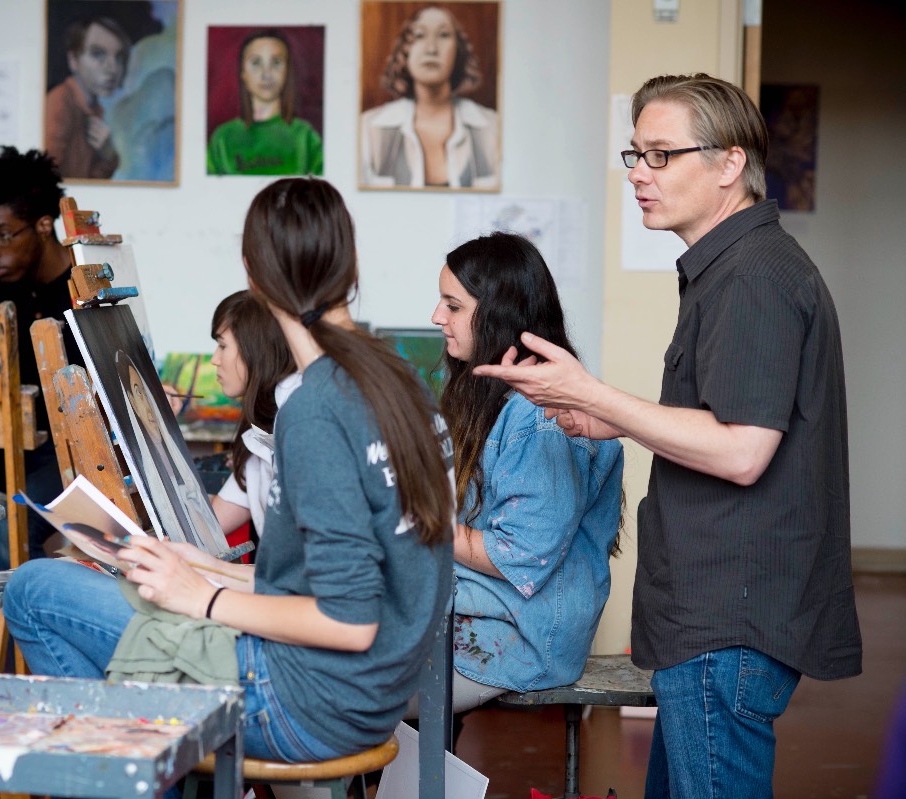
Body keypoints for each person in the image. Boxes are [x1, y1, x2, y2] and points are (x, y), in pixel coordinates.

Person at [474, 73, 863, 798]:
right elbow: (718, 429)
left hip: (729, 617)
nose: (640, 176)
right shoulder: (730, 270)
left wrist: (594, 392)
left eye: (662, 155)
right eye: (635, 156)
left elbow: (743, 449)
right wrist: (603, 416)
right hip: (715, 614)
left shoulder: (753, 276)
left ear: (729, 164)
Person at [4, 176, 454, 766]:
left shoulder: (315, 406)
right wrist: (210, 571)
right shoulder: (399, 379)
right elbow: (346, 583)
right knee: (123, 590)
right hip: (372, 695)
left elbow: (348, 622)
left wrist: (201, 598)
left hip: (304, 703)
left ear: (253, 275)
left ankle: (127, 772)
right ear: (352, 263)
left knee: (30, 590)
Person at [429, 232, 624, 714]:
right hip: (480, 612)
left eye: (453, 306)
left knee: (332, 691)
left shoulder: (540, 416)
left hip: (522, 636)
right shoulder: (489, 401)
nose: (437, 317)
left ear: (498, 313)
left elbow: (516, 553)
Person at [0, 146, 76, 562]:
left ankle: (27, 622)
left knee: (11, 528)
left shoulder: (85, 287)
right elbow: (19, 373)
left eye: (3, 235)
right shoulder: (0, 286)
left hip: (75, 448)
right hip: (22, 435)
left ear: (44, 225)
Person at [359, 5, 498, 189]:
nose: (431, 49)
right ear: (404, 51)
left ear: (458, 50)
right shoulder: (370, 128)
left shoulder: (493, 127)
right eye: (419, 36)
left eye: (443, 35)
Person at [207, 290, 298, 544]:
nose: (215, 359)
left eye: (223, 345)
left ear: (254, 349)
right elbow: (212, 523)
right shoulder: (261, 427)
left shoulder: (297, 423)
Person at [115, 353, 229, 555]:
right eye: (138, 393)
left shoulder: (172, 459)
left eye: (146, 392)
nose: (150, 402)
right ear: (129, 400)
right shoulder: (142, 459)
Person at [207, 29, 323, 176]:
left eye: (276, 62)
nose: (266, 74)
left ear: (287, 71)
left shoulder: (305, 137)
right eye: (256, 63)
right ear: (243, 73)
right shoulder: (222, 138)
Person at [44, 17, 130, 180]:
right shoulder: (60, 102)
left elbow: (91, 183)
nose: (112, 68)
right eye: (98, 54)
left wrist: (108, 156)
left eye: (118, 57)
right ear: (73, 60)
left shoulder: (94, 110)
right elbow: (47, 180)